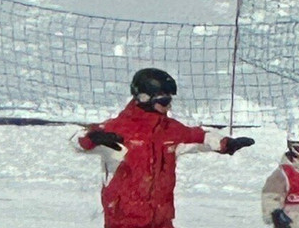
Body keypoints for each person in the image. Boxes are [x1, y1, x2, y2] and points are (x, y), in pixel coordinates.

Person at [74, 67, 254, 228]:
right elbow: (76, 140)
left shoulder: (169, 130)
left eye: (170, 100)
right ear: (144, 98)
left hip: (160, 218)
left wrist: (225, 143)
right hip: (124, 220)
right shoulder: (118, 129)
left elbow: (198, 136)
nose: (169, 106)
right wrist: (93, 138)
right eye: (164, 100)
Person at [261, 130, 299, 228]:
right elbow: (270, 195)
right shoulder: (284, 173)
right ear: (290, 147)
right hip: (293, 223)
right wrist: (275, 213)